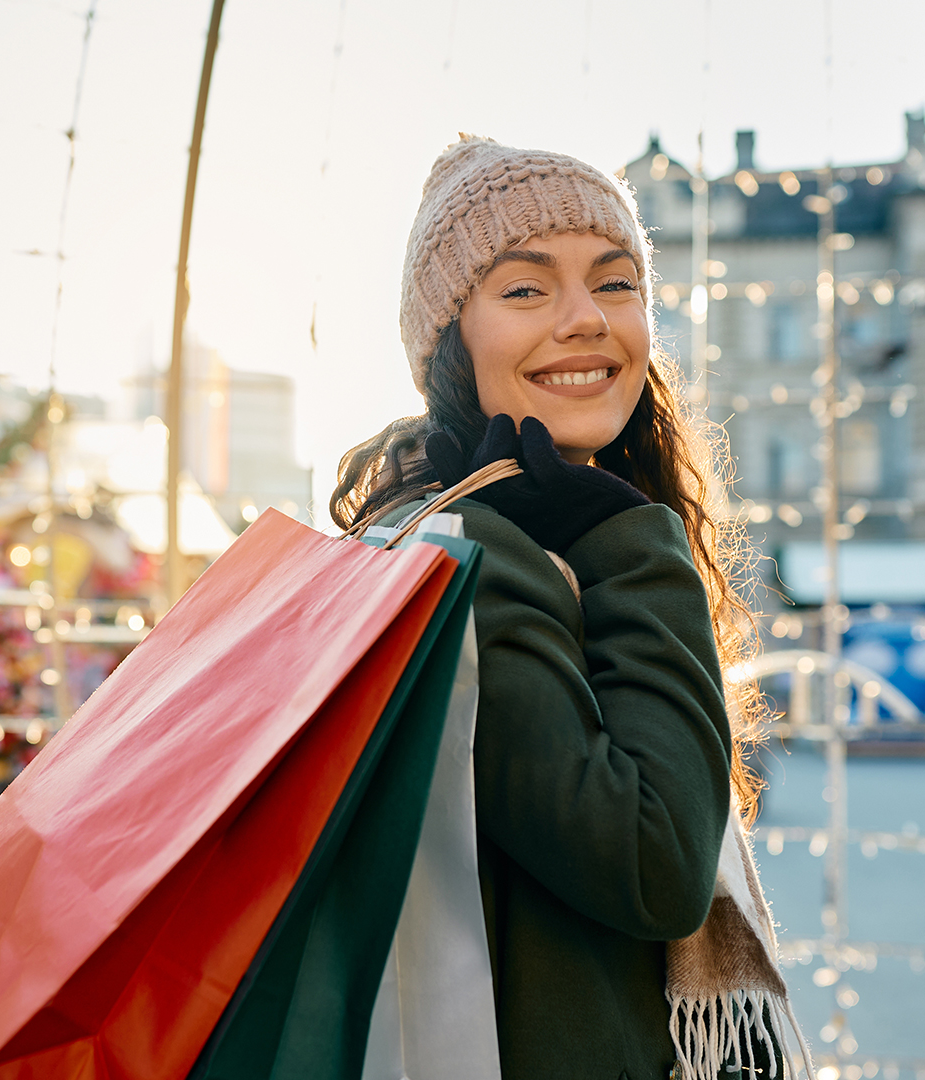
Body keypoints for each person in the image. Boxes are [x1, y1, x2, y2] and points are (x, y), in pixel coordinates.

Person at [332, 137, 810, 1080]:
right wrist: (635, 541)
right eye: (524, 290)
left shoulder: (517, 539)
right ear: (448, 342)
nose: (585, 319)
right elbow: (656, 863)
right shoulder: (469, 564)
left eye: (616, 282)